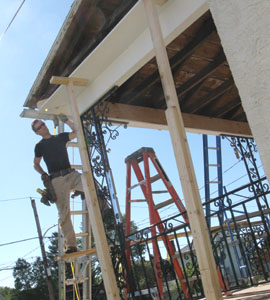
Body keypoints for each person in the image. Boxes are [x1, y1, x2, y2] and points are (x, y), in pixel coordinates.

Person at [32, 116, 83, 254]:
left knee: (90, 184)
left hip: (71, 174)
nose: (43, 127)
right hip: (56, 180)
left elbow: (77, 131)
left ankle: (104, 208)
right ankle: (71, 245)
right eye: (39, 127)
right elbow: (35, 164)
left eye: (42, 124)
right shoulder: (40, 146)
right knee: (63, 212)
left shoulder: (60, 137)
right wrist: (43, 174)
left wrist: (66, 120)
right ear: (36, 132)